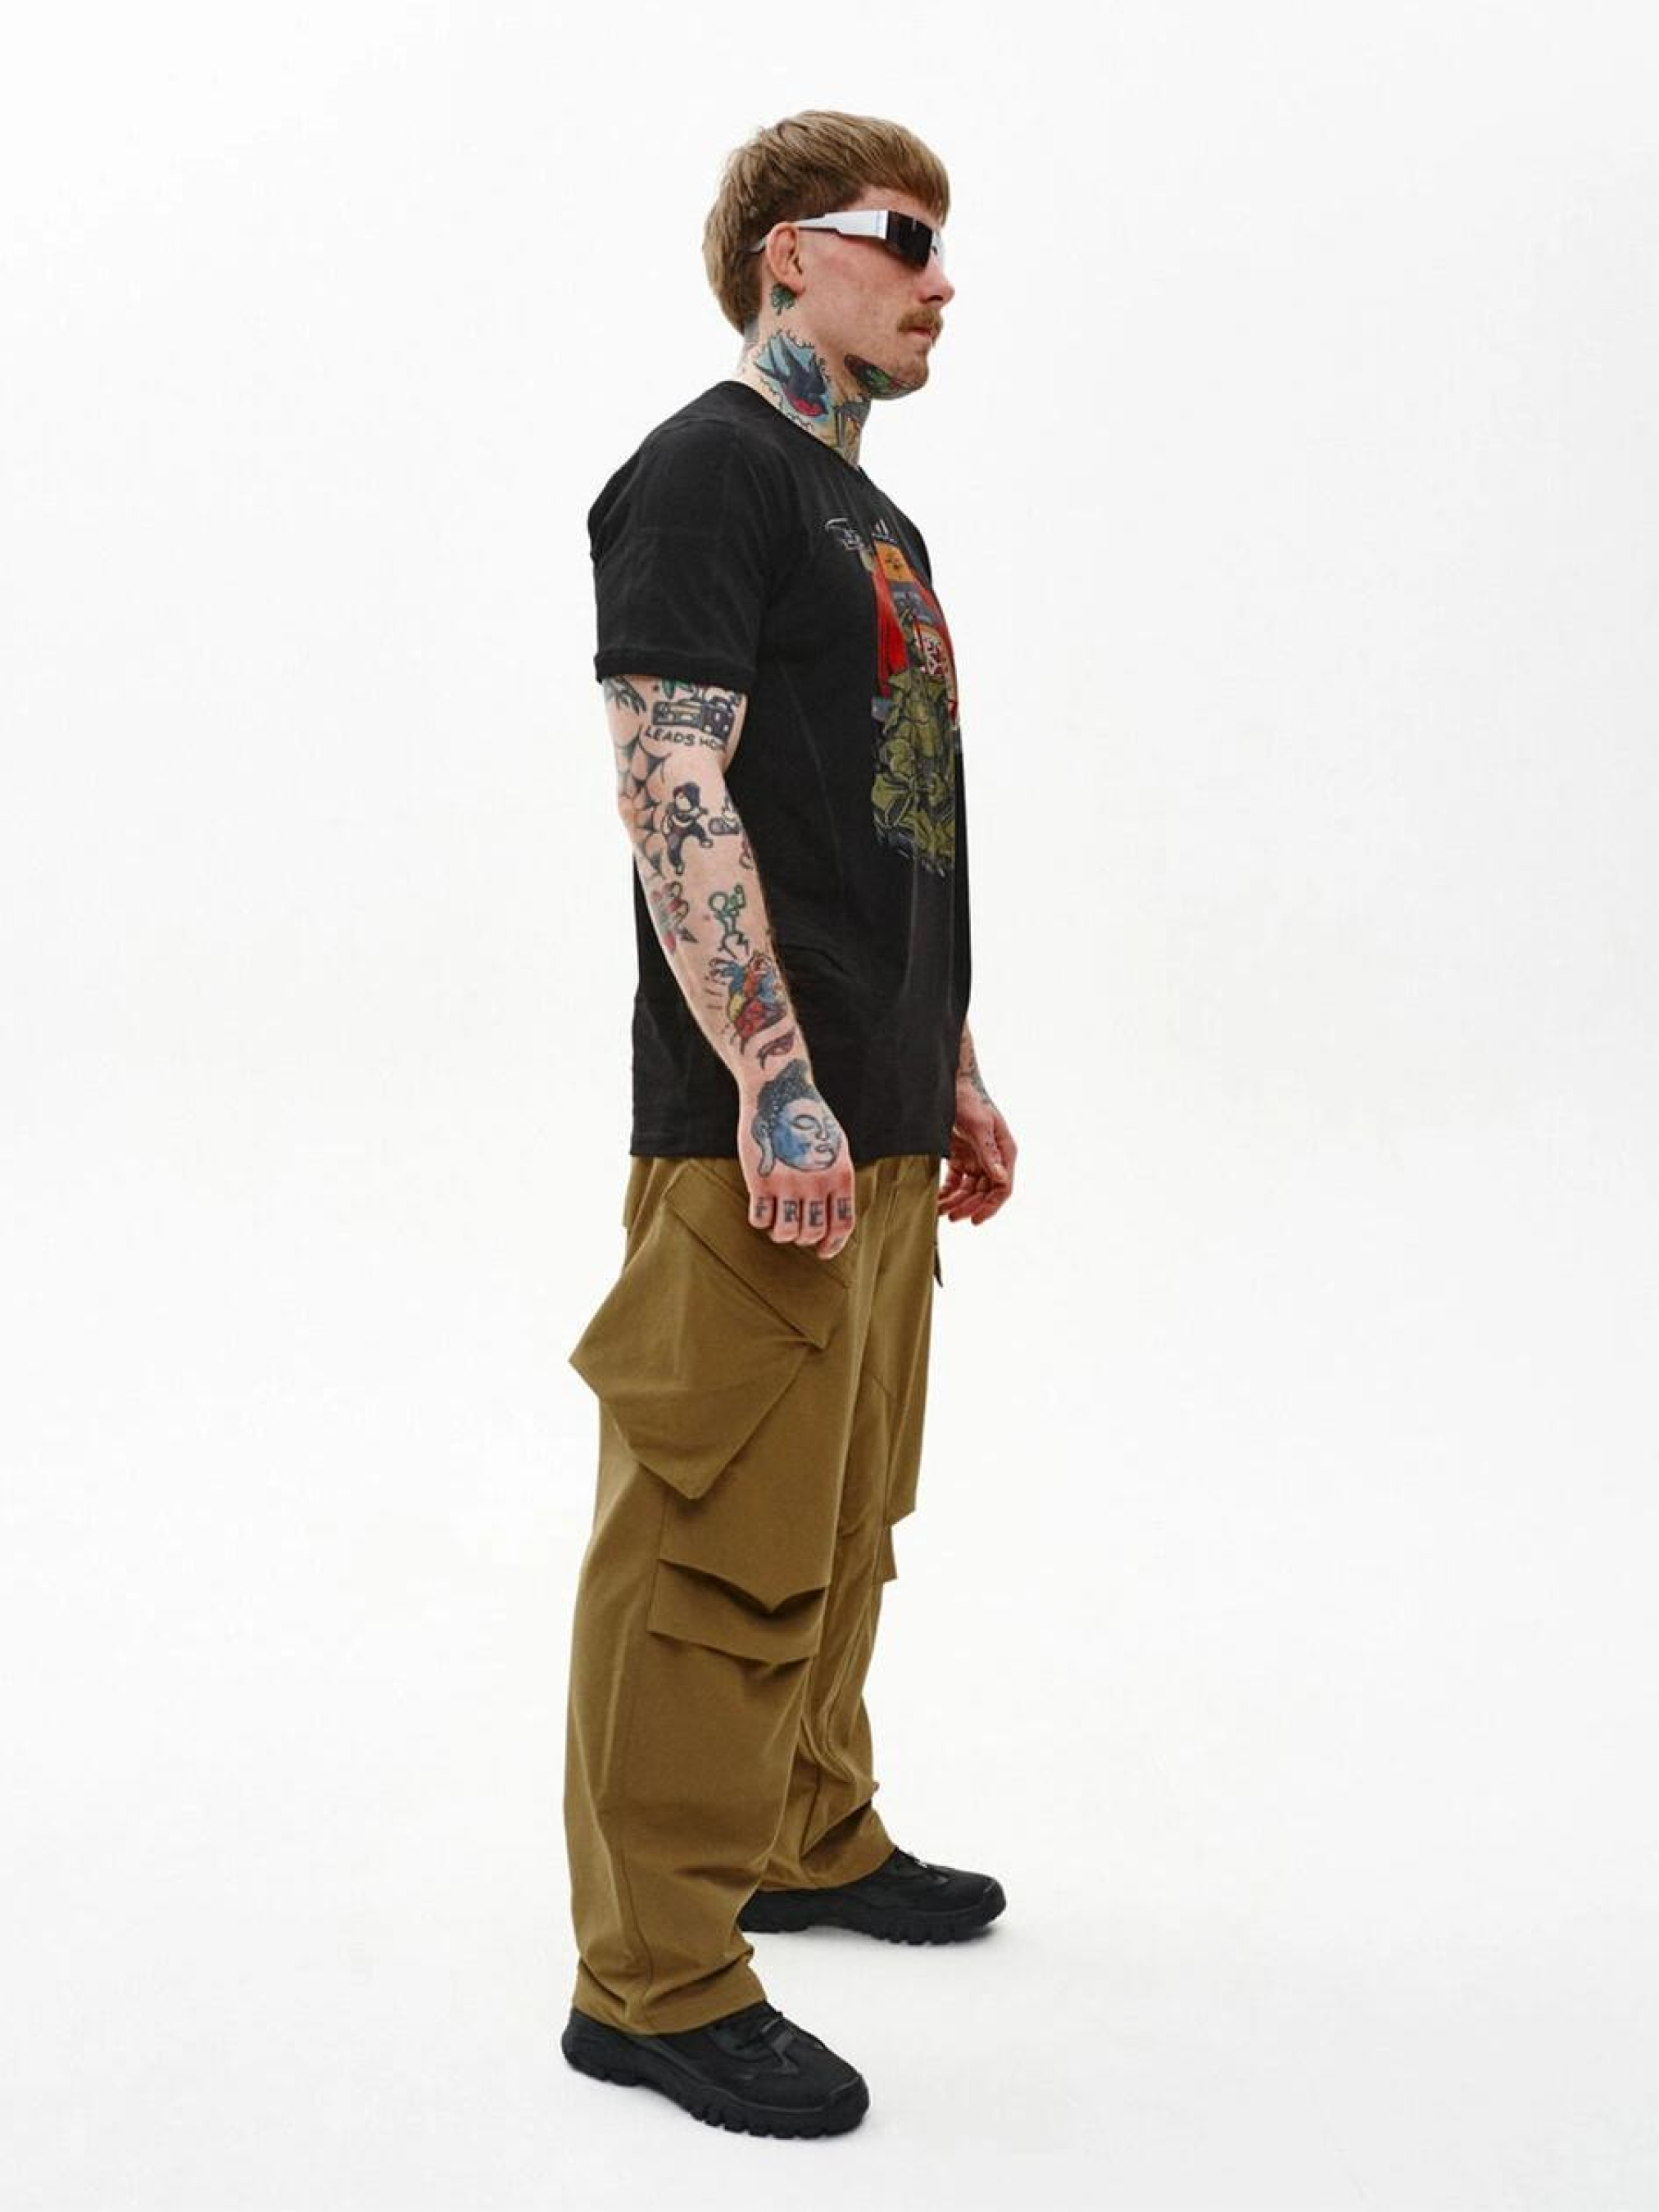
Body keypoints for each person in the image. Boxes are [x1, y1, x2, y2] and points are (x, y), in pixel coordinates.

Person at [560, 109, 1018, 2139]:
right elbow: (671, 783)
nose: (938, 278)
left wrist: (948, 1068)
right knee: (710, 1547)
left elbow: (887, 819)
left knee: (839, 1525)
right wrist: (773, 1077)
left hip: (879, 1116)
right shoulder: (707, 471)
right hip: (764, 1120)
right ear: (780, 250)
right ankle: (651, 1982)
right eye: (899, 236)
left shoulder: (872, 519)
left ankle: (804, 1836)